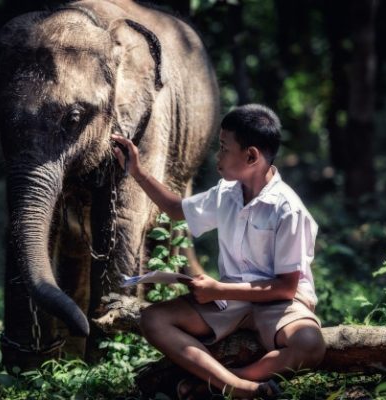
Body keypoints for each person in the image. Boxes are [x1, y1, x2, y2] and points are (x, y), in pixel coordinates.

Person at [111, 104, 326, 399]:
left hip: (280, 303)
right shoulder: (226, 193)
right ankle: (239, 389)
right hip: (229, 301)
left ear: (251, 156)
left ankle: (218, 383)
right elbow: (176, 209)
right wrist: (136, 170)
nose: (218, 156)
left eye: (224, 148)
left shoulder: (287, 210)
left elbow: (286, 288)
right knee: (154, 319)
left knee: (310, 343)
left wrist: (217, 289)